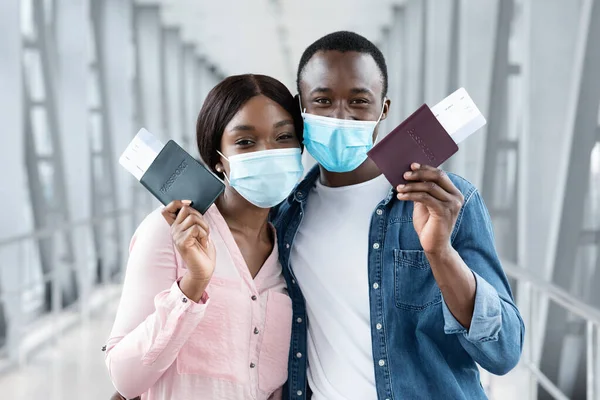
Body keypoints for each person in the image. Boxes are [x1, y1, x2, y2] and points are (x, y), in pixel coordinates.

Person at [273, 31, 525, 400]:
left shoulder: (446, 199)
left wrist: (440, 253)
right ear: (301, 108)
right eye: (323, 100)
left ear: (383, 109)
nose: (341, 115)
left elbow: (505, 350)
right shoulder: (284, 217)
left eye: (359, 102)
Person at [104, 74, 304, 400]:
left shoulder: (291, 249)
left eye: (283, 136)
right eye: (245, 142)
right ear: (217, 159)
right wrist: (193, 284)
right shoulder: (169, 232)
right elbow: (125, 377)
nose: (268, 151)